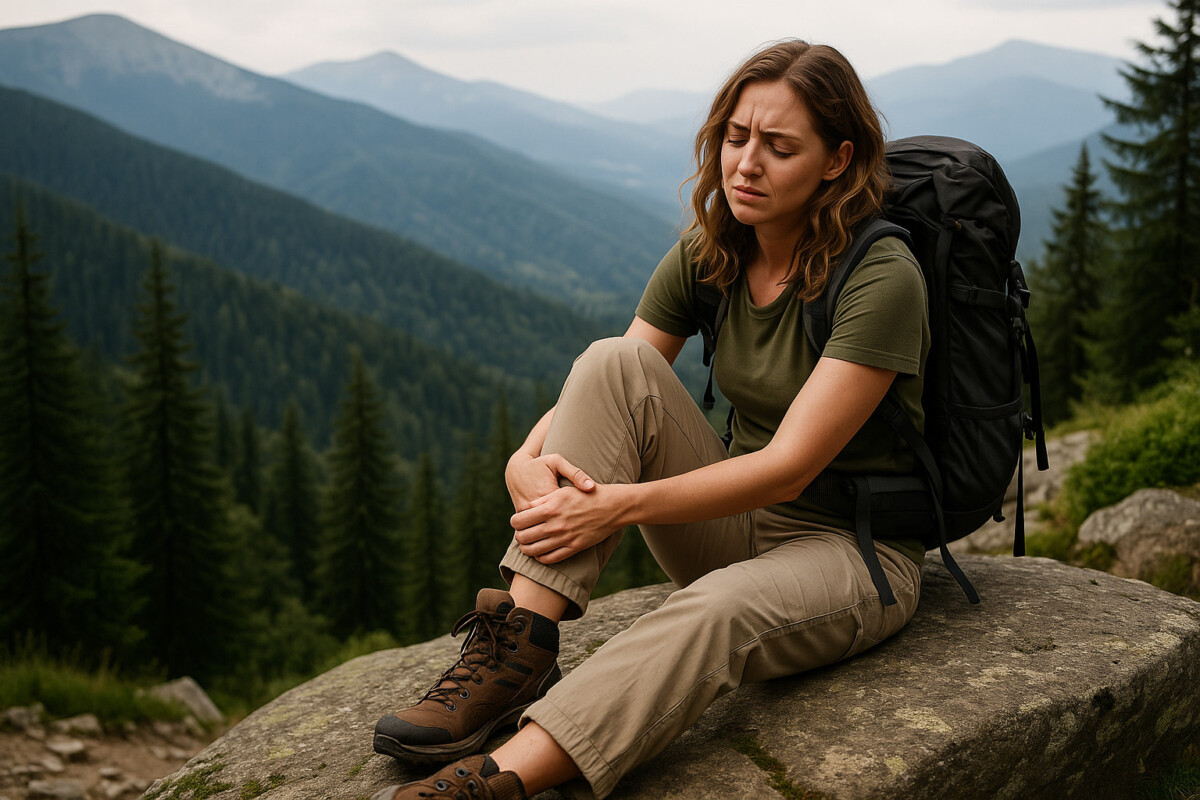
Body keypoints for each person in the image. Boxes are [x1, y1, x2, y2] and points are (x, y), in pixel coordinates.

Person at [371, 38, 928, 800]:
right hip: (736, 528)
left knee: (716, 609)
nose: (745, 165)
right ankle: (518, 653)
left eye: (779, 147)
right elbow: (614, 379)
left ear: (836, 161)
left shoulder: (882, 276)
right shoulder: (716, 247)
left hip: (852, 553)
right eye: (736, 138)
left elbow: (790, 466)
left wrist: (618, 507)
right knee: (611, 360)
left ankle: (498, 779)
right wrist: (521, 460)